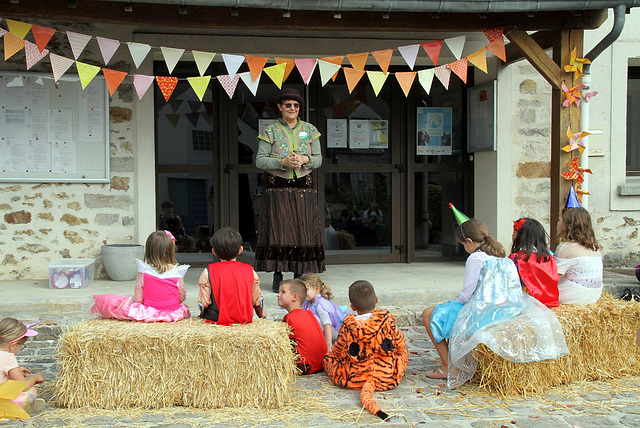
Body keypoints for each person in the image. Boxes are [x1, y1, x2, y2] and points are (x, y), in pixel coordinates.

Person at [254, 87, 325, 293]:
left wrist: (305, 159)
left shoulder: (311, 130)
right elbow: (260, 161)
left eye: (296, 105)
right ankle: (278, 274)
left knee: (303, 230)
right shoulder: (270, 131)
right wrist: (282, 161)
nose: (292, 108)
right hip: (278, 188)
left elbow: (319, 159)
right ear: (280, 107)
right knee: (279, 230)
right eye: (288, 105)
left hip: (304, 187)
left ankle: (298, 275)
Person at [421, 215, 507, 380]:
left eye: (462, 245)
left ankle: (448, 366)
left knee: (428, 314)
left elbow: (466, 295)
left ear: (469, 241)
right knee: (440, 311)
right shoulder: (499, 254)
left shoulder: (475, 258)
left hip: (479, 312)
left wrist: (454, 301)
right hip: (496, 309)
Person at [323, 280, 408, 421]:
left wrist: (332, 354)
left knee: (328, 358)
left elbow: (338, 352)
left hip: (355, 378)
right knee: (403, 352)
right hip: (386, 378)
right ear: (376, 299)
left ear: (352, 307)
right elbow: (400, 345)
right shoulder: (387, 320)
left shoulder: (348, 325)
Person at [88, 230, 191, 322]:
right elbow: (181, 296)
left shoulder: (144, 271)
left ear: (149, 250)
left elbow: (138, 298)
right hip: (172, 312)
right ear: (170, 251)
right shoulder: (177, 272)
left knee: (116, 304)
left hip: (149, 311)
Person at [198, 227, 265, 324]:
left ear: (214, 252)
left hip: (216, 317)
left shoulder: (208, 271)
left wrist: (201, 316)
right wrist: (261, 314)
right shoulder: (250, 270)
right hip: (244, 318)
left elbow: (203, 302)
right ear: (240, 250)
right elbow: (257, 299)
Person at [555, 207, 603, 304]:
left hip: (575, 295)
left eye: (559, 220)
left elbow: (554, 279)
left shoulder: (565, 248)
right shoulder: (594, 247)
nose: (557, 223)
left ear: (567, 225)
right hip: (594, 296)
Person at [278, 279, 327, 375]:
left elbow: (282, 344)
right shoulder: (308, 313)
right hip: (321, 364)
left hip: (305, 366)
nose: (278, 295)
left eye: (283, 292)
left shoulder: (290, 318)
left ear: (295, 297)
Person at [509, 218, 559, 307]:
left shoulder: (516, 258)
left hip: (525, 303)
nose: (512, 235)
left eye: (514, 232)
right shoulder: (549, 256)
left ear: (520, 236)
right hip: (549, 301)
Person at [0, 318, 45, 416]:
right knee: (31, 390)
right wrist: (35, 377)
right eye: (21, 346)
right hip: (2, 402)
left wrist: (17, 371)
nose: (20, 349)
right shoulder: (8, 357)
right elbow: (22, 386)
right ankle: (26, 405)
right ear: (13, 345)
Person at [301, 274, 345, 351]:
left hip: (333, 332)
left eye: (306, 290)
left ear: (317, 289)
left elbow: (328, 324)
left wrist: (328, 345)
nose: (303, 293)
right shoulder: (309, 302)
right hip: (325, 330)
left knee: (315, 318)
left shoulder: (320, 305)